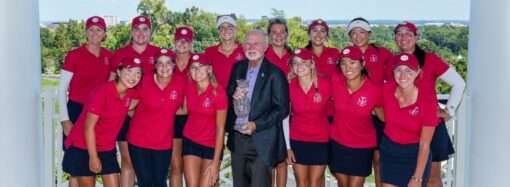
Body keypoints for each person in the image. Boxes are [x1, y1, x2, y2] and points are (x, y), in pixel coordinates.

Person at [388, 21, 465, 187]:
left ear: (416, 37)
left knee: (431, 178)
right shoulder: (393, 62)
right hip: (404, 128)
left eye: (408, 34)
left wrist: (448, 110)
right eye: (399, 34)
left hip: (430, 126)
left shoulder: (430, 59)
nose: (403, 37)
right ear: (395, 38)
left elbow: (459, 83)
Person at [62, 57, 142, 187]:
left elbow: (139, 109)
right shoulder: (102, 91)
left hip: (107, 147)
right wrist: (93, 157)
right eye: (129, 71)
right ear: (118, 72)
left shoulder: (132, 95)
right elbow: (88, 127)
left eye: (138, 73)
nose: (133, 77)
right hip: (83, 146)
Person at [226, 29, 289, 187]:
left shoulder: (275, 74)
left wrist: (256, 124)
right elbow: (227, 95)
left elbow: (282, 109)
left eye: (256, 43)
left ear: (265, 46)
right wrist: (232, 94)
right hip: (238, 139)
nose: (251, 47)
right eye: (248, 43)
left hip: (262, 141)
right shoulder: (237, 68)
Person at [58, 16, 112, 187]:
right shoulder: (74, 55)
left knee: (94, 158)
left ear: (104, 34)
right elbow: (61, 90)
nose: (94, 33)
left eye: (99, 30)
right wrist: (65, 120)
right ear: (86, 33)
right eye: (91, 29)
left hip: (98, 114)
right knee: (76, 166)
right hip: (76, 111)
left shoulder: (109, 56)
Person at [110, 15, 162, 187]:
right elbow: (111, 85)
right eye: (137, 29)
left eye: (145, 29)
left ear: (150, 32)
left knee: (150, 163)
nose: (141, 33)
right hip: (124, 114)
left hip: (151, 116)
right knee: (128, 161)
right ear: (132, 32)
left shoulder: (157, 53)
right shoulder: (120, 53)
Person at [345, 17, 393, 187]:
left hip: (377, 113)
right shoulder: (345, 55)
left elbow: (395, 80)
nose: (358, 36)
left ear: (369, 34)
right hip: (356, 114)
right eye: (354, 33)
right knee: (359, 160)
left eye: (362, 32)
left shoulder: (382, 53)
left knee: (379, 159)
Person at [127, 49, 185, 187]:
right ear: (155, 65)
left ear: (174, 65)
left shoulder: (181, 82)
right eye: (160, 63)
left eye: (168, 63)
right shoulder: (144, 81)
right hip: (139, 141)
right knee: (145, 182)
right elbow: (127, 107)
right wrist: (141, 118)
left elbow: (185, 109)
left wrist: (165, 112)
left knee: (159, 182)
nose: (164, 67)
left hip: (163, 142)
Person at [380, 53, 438, 187]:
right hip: (390, 150)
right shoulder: (386, 89)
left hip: (415, 153)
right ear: (393, 72)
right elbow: (375, 105)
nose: (403, 75)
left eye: (408, 70)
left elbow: (425, 144)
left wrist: (417, 178)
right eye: (398, 70)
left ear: (417, 72)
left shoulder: (428, 100)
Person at [329, 46, 384, 187]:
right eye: (343, 63)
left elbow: (385, 117)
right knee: (342, 183)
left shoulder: (375, 89)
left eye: (352, 62)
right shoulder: (335, 81)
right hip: (338, 141)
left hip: (362, 145)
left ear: (362, 63)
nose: (348, 67)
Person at [182, 54, 228, 187]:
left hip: (211, 145)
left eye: (201, 67)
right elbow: (184, 110)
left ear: (209, 69)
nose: (197, 71)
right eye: (193, 68)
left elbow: (221, 128)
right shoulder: (189, 86)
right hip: (190, 140)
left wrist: (215, 162)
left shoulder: (218, 93)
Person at [287, 48, 330, 187]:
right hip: (298, 139)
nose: (299, 66)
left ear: (312, 64)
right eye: (296, 63)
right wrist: (287, 147)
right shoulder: (289, 86)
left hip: (320, 139)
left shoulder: (326, 84)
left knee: (315, 182)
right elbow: (284, 117)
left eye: (304, 62)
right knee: (301, 182)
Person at [265, 17, 292, 187]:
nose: (278, 35)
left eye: (282, 32)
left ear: (287, 34)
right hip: (267, 113)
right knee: (268, 161)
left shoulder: (294, 56)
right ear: (268, 35)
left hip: (288, 113)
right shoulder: (262, 55)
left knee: (282, 160)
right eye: (274, 32)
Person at [170, 26, 194, 187]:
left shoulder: (198, 61)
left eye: (186, 41)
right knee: (176, 167)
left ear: (192, 43)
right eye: (179, 40)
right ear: (174, 42)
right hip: (172, 117)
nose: (183, 44)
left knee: (191, 169)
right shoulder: (167, 61)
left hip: (195, 118)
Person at [306, 19, 340, 125]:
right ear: (309, 34)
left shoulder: (335, 53)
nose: (318, 34)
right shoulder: (302, 55)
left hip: (333, 110)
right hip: (309, 108)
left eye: (322, 31)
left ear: (327, 35)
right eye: (315, 30)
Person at [205, 14, 245, 88]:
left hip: (239, 97)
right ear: (218, 31)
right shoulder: (209, 52)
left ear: (235, 29)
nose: (226, 30)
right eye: (222, 27)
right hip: (217, 97)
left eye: (230, 27)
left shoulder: (245, 50)